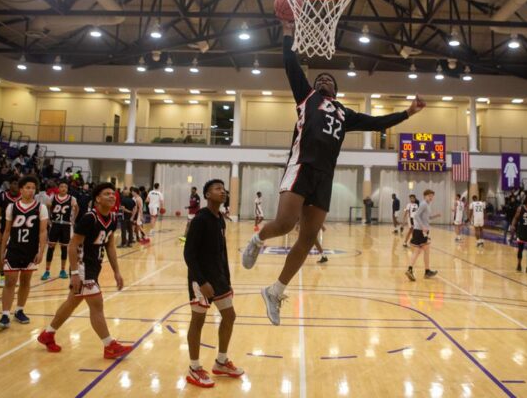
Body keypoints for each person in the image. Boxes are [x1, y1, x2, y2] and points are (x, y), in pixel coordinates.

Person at [241, 22, 425, 326]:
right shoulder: (306, 97)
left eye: (329, 78)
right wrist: (288, 32)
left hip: (324, 177)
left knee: (308, 237)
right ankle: (258, 239)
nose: (324, 78)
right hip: (302, 165)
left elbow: (377, 123)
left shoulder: (345, 113)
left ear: (336, 90)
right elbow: (290, 64)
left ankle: (274, 291)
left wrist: (408, 112)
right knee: (286, 224)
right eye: (320, 77)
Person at [36, 182, 133, 360]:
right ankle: (109, 345)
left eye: (113, 193)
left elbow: (110, 246)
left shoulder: (112, 218)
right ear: (97, 199)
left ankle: (47, 334)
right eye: (107, 193)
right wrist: (74, 274)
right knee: (97, 305)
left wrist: (116, 272)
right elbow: (72, 246)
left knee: (72, 303)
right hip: (82, 267)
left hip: (94, 266)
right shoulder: (89, 218)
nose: (112, 196)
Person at [183, 179, 244, 388]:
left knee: (230, 315)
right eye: (218, 189)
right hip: (200, 279)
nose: (223, 191)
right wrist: (201, 281)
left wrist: (226, 280)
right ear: (207, 194)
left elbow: (222, 253)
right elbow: (189, 254)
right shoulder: (200, 219)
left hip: (218, 278)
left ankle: (221, 362)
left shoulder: (220, 219)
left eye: (224, 189)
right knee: (198, 321)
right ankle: (194, 367)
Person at [0, 175, 48, 330]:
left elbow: (43, 232)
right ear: (21, 189)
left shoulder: (41, 208)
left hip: (30, 249)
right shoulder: (12, 207)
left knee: (26, 281)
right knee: (10, 281)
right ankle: (5, 314)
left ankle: (19, 310)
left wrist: (41, 251)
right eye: (27, 187)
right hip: (14, 248)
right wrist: (2, 251)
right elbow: (7, 230)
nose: (31, 191)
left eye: (33, 188)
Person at [42, 182, 78, 280]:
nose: (63, 188)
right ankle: (47, 271)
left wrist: (73, 219)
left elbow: (77, 208)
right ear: (58, 188)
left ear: (67, 189)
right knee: (51, 247)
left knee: (64, 248)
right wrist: (49, 218)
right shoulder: (53, 198)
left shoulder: (72, 199)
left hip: (66, 225)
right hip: (55, 224)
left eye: (65, 187)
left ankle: (62, 270)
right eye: (61, 186)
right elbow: (47, 207)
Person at [405, 189, 439, 281]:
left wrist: (436, 216)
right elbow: (416, 216)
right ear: (425, 196)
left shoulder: (427, 205)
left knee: (418, 251)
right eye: (429, 196)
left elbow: (426, 217)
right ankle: (426, 271)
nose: (431, 197)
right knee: (425, 250)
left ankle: (410, 269)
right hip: (421, 231)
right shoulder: (424, 204)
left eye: (432, 196)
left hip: (420, 230)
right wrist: (423, 226)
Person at [0, 179, 20, 287]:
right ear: (10, 185)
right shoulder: (2, 196)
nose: (16, 186)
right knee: (2, 253)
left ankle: (15, 277)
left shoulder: (23, 197)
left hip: (18, 230)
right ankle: (2, 277)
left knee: (17, 255)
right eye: (14, 183)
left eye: (18, 184)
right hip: (5, 229)